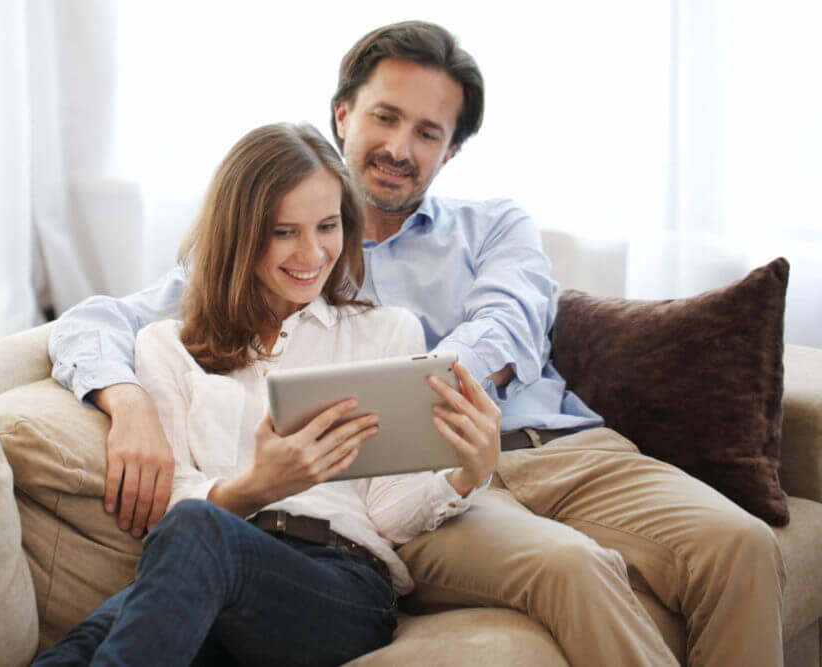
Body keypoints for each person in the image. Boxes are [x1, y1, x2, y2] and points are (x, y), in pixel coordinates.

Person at [49, 21, 784, 667]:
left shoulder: (488, 229)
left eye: (428, 132)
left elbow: (514, 319)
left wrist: (422, 384)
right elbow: (98, 323)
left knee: (742, 546)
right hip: (427, 479)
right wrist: (127, 400)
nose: (401, 147)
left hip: (555, 443)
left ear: (452, 149)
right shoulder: (261, 261)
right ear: (344, 113)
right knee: (573, 568)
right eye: (386, 117)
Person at [35, 122, 500, 666]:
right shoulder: (167, 345)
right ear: (240, 234)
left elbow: (389, 516)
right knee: (72, 654)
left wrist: (468, 472)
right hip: (202, 571)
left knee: (195, 535)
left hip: (335, 586)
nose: (313, 253)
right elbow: (169, 504)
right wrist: (257, 487)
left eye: (327, 226)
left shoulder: (387, 334)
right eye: (284, 232)